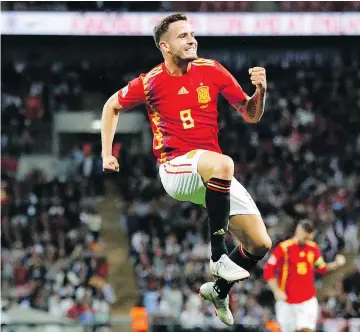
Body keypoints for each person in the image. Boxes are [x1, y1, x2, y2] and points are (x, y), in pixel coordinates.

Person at [100, 13, 272, 326]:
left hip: (211, 173)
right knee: (223, 163)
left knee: (260, 244)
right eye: (183, 36)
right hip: (176, 167)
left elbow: (250, 113)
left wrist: (260, 92)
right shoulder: (150, 82)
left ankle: (219, 289)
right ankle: (218, 257)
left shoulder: (212, 70)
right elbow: (111, 106)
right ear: (164, 46)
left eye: (192, 34)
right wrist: (106, 153)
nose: (191, 39)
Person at [263, 220, 346, 332]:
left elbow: (321, 268)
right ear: (298, 232)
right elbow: (268, 270)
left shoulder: (313, 248)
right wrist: (276, 291)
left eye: (310, 238)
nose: (307, 241)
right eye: (305, 238)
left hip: (307, 300)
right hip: (286, 301)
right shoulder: (284, 248)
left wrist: (336, 264)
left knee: (306, 329)